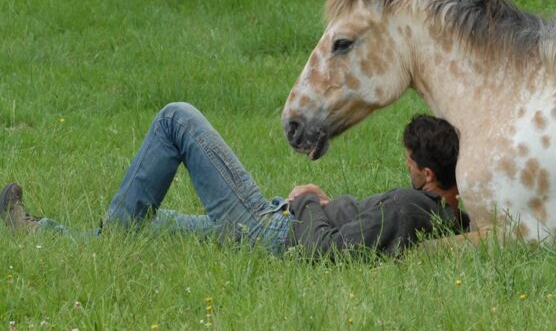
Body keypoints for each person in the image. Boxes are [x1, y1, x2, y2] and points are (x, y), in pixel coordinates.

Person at [0, 103, 469, 258]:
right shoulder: (451, 212)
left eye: (408, 163)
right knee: (155, 224)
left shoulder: (412, 208)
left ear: (427, 175)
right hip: (277, 221)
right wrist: (328, 202)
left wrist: (307, 200)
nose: (404, 169)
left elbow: (325, 252)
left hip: (276, 232)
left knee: (176, 119)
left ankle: (109, 240)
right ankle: (43, 232)